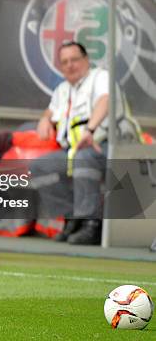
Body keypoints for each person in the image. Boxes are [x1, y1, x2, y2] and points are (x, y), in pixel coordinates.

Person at [30, 42, 138, 245]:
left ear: (86, 60)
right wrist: (44, 119)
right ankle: (71, 218)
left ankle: (91, 224)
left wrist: (90, 130)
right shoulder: (63, 89)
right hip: (73, 150)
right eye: (65, 62)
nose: (70, 65)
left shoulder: (100, 77)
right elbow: (51, 111)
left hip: (111, 146)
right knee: (40, 166)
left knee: (84, 157)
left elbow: (105, 101)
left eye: (75, 59)